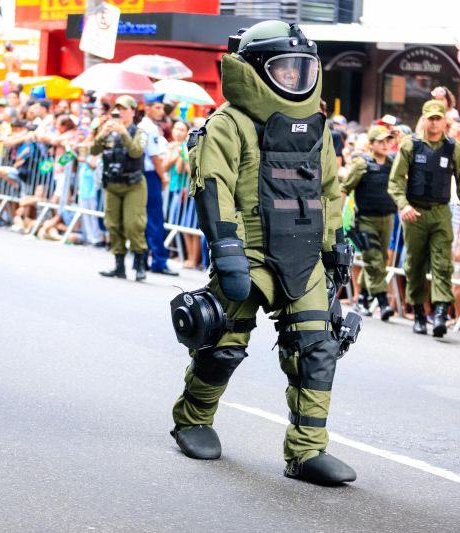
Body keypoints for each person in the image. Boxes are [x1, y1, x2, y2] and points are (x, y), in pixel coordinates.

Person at [169, 21, 357, 485]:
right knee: (223, 344)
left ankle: (307, 451)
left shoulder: (319, 128)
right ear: (254, 71)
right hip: (249, 255)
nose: (295, 78)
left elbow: (330, 191)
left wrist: (335, 249)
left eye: (302, 69)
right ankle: (193, 419)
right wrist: (228, 251)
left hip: (305, 256)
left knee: (317, 350)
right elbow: (214, 187)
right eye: (284, 70)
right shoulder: (228, 123)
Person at [388, 99, 460, 337]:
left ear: (445, 120)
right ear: (423, 119)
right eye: (430, 118)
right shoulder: (410, 146)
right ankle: (420, 314)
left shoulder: (454, 148)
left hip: (441, 212)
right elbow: (395, 181)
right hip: (414, 212)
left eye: (438, 118)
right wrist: (403, 206)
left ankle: (442, 312)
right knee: (414, 264)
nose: (434, 123)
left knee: (443, 262)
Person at [341, 125, 397, 321]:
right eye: (380, 141)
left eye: (387, 141)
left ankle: (363, 297)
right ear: (371, 144)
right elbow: (345, 188)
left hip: (388, 217)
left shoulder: (393, 164)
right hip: (366, 220)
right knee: (373, 259)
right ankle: (382, 302)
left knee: (381, 260)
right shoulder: (361, 164)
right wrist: (336, 216)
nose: (385, 145)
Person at [90, 95, 149, 281]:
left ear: (133, 111)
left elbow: (135, 151)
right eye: (117, 109)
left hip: (133, 184)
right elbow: (93, 151)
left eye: (124, 109)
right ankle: (119, 266)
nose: (120, 113)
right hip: (112, 183)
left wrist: (123, 132)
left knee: (133, 224)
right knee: (112, 224)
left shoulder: (140, 132)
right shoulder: (108, 130)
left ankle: (140, 264)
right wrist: (101, 134)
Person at [139, 93, 178, 276]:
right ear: (147, 107)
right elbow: (154, 157)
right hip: (151, 176)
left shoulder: (142, 126)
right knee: (155, 220)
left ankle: (143, 258)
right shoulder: (151, 128)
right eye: (157, 107)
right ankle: (159, 261)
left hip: (143, 176)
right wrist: (163, 177)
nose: (161, 111)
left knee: (146, 219)